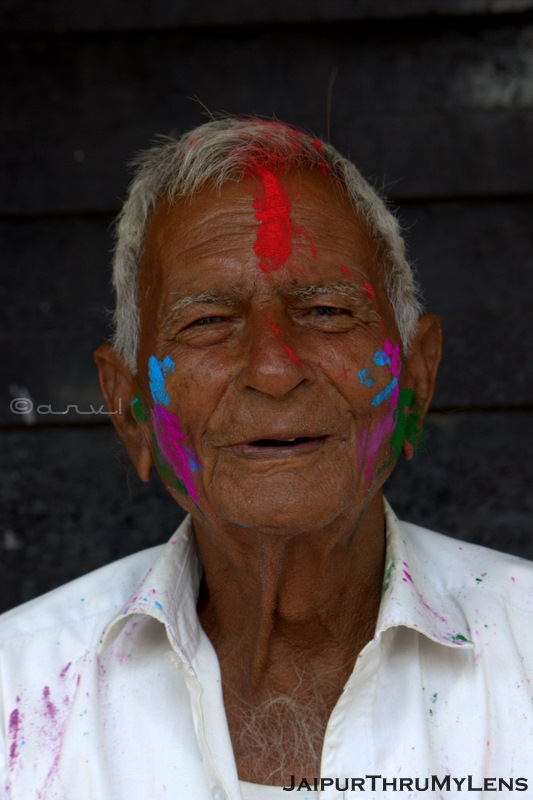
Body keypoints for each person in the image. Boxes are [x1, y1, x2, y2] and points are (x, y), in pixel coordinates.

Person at [1, 118, 532, 800]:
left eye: (326, 310)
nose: (274, 368)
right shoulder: (20, 688)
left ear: (417, 381)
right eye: (206, 322)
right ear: (130, 408)